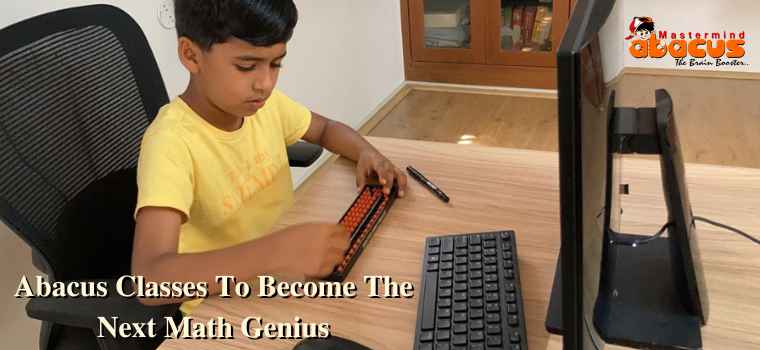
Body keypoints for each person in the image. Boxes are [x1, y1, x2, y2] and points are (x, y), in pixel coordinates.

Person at [130, 0, 407, 315]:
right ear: (191, 55)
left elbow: (325, 129)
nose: (265, 84)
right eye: (247, 66)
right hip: (222, 306)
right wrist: (274, 253)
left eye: (276, 64)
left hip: (284, 276)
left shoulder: (266, 107)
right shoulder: (170, 142)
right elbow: (150, 279)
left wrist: (367, 153)